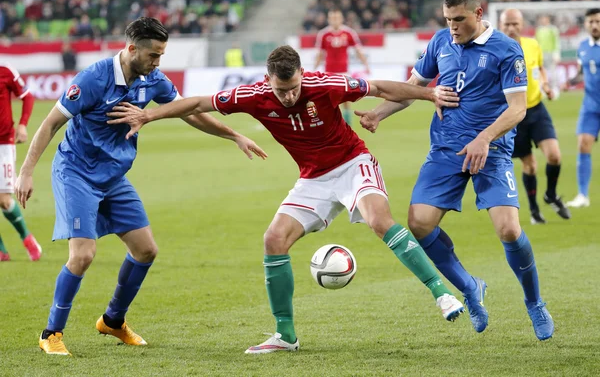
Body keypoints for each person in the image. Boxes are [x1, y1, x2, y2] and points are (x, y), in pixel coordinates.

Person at [107, 45, 466, 354]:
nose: (289, 96)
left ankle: (441, 293)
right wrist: (149, 114)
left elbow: (379, 86)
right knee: (273, 240)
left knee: (379, 221)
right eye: (281, 90)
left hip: (353, 164)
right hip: (313, 178)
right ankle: (286, 335)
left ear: (302, 75)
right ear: (268, 80)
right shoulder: (252, 95)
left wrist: (429, 93)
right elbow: (200, 102)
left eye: (293, 88)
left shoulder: (326, 84)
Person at [14, 17, 267, 356]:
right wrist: (26, 172)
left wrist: (233, 134)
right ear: (132, 49)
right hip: (76, 172)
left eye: (162, 55)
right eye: (153, 55)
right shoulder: (92, 79)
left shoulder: (152, 79)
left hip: (113, 176)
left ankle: (113, 321)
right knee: (83, 255)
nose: (158, 63)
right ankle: (51, 333)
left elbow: (188, 112)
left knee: (146, 250)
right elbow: (51, 122)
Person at [356, 0, 554, 341]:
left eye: (459, 19)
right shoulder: (440, 42)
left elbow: (518, 109)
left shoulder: (507, 50)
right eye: (447, 20)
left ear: (478, 14)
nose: (453, 27)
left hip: (490, 152)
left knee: (509, 229)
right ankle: (470, 287)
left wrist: (484, 138)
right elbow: (414, 86)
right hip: (445, 149)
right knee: (418, 224)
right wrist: (379, 114)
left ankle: (535, 303)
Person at [499, 9, 570, 224]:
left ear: (522, 24)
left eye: (515, 24)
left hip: (537, 108)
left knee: (555, 156)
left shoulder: (532, 45)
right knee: (529, 165)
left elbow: (539, 69)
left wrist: (545, 85)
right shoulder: (495, 50)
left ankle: (550, 194)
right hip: (513, 113)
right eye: (507, 24)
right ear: (500, 26)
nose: (511, 28)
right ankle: (534, 211)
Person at [0, 63, 41, 262]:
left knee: (4, 199)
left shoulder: (5, 70)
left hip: (3, 143)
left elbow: (27, 96)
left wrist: (23, 125)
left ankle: (27, 237)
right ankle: (1, 251)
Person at [563, 8, 600, 208]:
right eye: (591, 22)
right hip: (591, 105)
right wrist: (570, 82)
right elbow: (580, 72)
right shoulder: (583, 46)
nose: (594, 25)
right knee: (583, 144)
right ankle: (582, 195)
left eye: (597, 21)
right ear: (585, 24)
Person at [314, 9, 370, 126]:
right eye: (332, 18)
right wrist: (315, 68)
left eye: (337, 18)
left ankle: (347, 122)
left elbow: (358, 50)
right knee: (328, 98)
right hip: (329, 72)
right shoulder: (323, 34)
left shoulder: (349, 33)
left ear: (341, 19)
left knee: (345, 98)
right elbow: (320, 53)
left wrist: (366, 65)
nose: (334, 20)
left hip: (344, 71)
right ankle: (331, 122)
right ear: (329, 20)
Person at [535, 15, 560, 90]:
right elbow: (537, 42)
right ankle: (542, 87)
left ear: (548, 19)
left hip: (551, 53)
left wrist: (556, 53)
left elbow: (556, 42)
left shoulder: (553, 29)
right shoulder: (538, 30)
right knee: (541, 71)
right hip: (542, 53)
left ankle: (554, 87)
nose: (543, 20)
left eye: (545, 19)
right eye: (542, 19)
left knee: (553, 71)